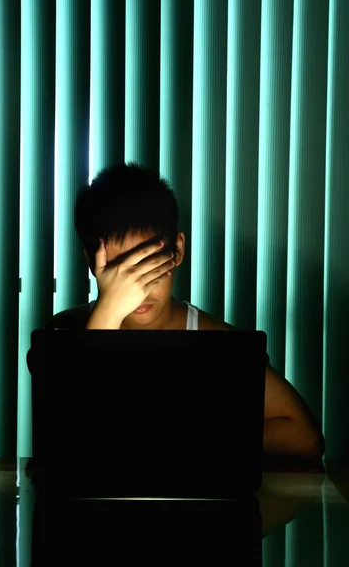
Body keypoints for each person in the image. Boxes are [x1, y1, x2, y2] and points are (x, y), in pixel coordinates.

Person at [37, 162, 325, 464]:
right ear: (91, 261)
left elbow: (305, 439)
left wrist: (180, 444)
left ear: (177, 251)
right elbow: (69, 441)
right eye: (122, 271)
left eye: (150, 267)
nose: (139, 291)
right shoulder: (64, 333)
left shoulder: (219, 345)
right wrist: (108, 310)